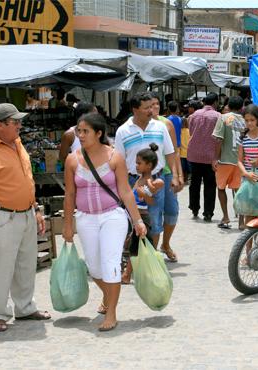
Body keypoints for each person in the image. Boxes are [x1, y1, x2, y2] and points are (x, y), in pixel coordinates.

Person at [0, 103, 51, 332]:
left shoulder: (17, 143)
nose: (19, 126)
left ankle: (24, 308)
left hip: (26, 214)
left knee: (26, 264)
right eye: (15, 122)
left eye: (19, 122)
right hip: (3, 217)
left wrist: (35, 209)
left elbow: (26, 179)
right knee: (3, 267)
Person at [63, 112, 147, 331]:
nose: (80, 135)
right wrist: (67, 224)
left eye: (85, 131)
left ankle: (111, 313)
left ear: (98, 133)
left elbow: (126, 192)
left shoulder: (114, 157)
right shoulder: (72, 160)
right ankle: (108, 295)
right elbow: (69, 195)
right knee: (94, 267)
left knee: (111, 263)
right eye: (78, 131)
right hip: (85, 218)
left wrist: (137, 221)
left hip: (112, 216)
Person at [114, 93, 180, 263]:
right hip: (132, 182)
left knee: (155, 219)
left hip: (156, 180)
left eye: (152, 106)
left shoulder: (160, 127)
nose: (151, 110)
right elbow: (118, 161)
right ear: (135, 110)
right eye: (147, 108)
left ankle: (151, 257)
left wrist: (174, 176)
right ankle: (134, 259)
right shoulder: (123, 131)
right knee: (135, 221)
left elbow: (170, 152)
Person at [121, 144, 165, 284]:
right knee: (137, 246)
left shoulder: (150, 181)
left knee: (138, 247)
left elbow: (151, 201)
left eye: (139, 163)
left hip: (142, 218)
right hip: (134, 217)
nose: (136, 166)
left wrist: (143, 194)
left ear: (149, 165)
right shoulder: (139, 180)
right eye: (136, 163)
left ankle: (127, 275)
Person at [150, 93, 184, 262]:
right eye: (151, 104)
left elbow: (174, 151)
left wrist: (178, 175)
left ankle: (166, 244)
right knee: (153, 214)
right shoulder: (139, 125)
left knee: (172, 211)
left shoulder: (167, 124)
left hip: (167, 172)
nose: (154, 107)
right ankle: (152, 251)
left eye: (157, 103)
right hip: (150, 175)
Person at [212, 96, 246, 229]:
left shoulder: (224, 118)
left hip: (225, 160)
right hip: (240, 161)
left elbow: (219, 139)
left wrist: (215, 157)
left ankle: (226, 217)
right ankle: (241, 221)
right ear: (241, 107)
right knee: (239, 191)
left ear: (229, 106)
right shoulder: (245, 121)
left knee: (221, 189)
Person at [187, 92, 221, 222]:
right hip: (210, 156)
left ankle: (194, 207)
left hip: (194, 154)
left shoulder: (194, 115)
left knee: (194, 183)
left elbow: (191, 132)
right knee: (210, 185)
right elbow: (219, 137)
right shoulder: (218, 116)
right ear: (215, 102)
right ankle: (208, 212)